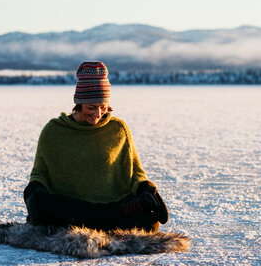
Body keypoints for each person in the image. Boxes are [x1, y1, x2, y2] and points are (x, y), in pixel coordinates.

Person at [23, 61, 168, 232]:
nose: (97, 114)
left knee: (150, 220)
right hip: (72, 207)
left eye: (103, 107)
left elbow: (134, 172)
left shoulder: (118, 129)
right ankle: (113, 215)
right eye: (91, 107)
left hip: (104, 205)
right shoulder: (54, 131)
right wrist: (34, 191)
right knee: (45, 206)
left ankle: (104, 217)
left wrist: (147, 189)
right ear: (79, 103)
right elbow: (40, 174)